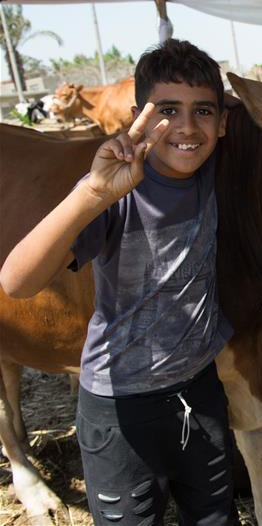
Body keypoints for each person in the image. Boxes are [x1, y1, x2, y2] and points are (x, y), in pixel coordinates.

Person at [0, 39, 237, 525]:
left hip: (200, 391)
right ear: (139, 117)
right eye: (168, 110)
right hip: (119, 403)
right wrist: (91, 194)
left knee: (215, 514)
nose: (188, 127)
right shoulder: (116, 191)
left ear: (224, 120)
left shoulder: (216, 170)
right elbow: (17, 281)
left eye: (203, 111)